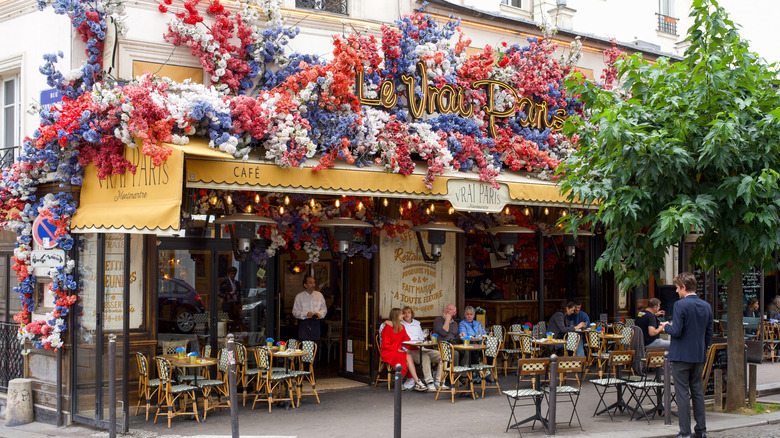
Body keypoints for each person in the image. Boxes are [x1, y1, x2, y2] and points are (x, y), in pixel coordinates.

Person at [660, 272, 713, 438]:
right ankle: (701, 430)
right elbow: (709, 332)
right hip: (698, 355)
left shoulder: (680, 305)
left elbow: (677, 331)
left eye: (677, 288)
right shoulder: (706, 306)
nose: (676, 291)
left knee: (682, 394)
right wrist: (702, 349)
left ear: (683, 287)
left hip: (681, 355)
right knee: (697, 392)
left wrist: (665, 326)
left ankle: (685, 432)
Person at [381, 308, 427, 392]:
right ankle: (417, 381)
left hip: (397, 351)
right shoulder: (388, 327)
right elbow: (385, 345)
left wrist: (416, 345)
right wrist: (397, 350)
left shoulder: (401, 327)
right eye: (401, 314)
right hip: (388, 352)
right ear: (396, 316)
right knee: (408, 356)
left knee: (407, 359)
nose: (403, 315)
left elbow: (407, 340)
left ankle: (399, 382)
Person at [400, 306, 445, 392]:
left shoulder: (417, 323)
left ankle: (439, 381)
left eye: (408, 312)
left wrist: (423, 341)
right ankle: (429, 382)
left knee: (442, 355)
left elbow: (421, 337)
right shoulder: (400, 324)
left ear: (412, 314)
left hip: (420, 347)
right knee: (424, 357)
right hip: (408, 350)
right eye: (404, 313)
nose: (406, 314)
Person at [458, 306, 493, 381]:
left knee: (490, 351)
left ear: (474, 315)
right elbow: (465, 336)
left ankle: (488, 372)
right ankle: (475, 374)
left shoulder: (478, 323)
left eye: (471, 314)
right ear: (464, 315)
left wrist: (483, 343)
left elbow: (484, 333)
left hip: (481, 344)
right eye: (467, 314)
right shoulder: (462, 324)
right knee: (474, 352)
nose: (469, 316)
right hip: (471, 345)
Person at [292, 275, 328, 341]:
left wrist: (319, 314)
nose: (313, 285)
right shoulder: (299, 297)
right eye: (310, 283)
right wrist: (306, 314)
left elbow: (324, 309)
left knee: (315, 346)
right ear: (305, 285)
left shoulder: (319, 295)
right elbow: (295, 312)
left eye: (314, 282)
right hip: (304, 324)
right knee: (304, 348)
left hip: (316, 324)